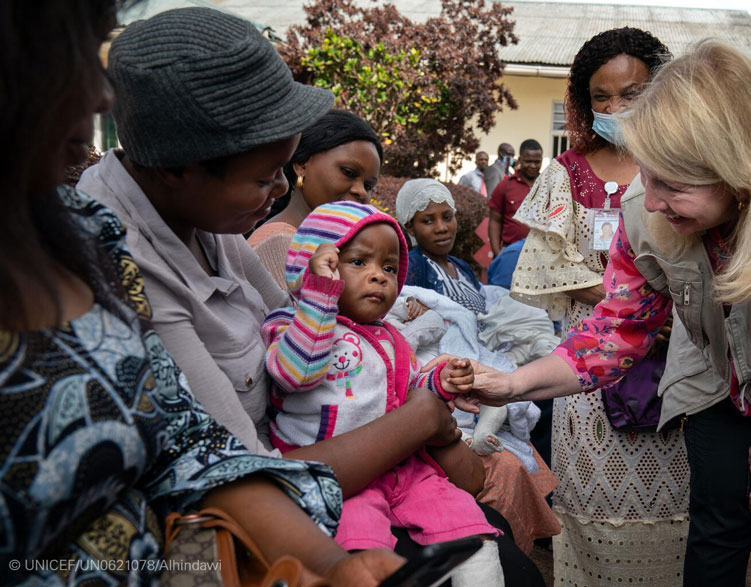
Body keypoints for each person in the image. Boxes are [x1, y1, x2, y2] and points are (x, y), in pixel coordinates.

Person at [0, 1, 403, 583]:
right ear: (175, 170)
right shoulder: (128, 247)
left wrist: (330, 566)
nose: (101, 97)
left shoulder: (90, 233)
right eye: (70, 59)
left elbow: (190, 443)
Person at [468, 40, 751, 587]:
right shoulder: (646, 204)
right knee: (715, 528)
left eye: (674, 186)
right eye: (649, 176)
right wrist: (512, 384)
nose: (651, 201)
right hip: (717, 382)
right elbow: (614, 330)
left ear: (743, 174)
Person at [76, 6, 489, 526]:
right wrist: (421, 418)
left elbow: (316, 328)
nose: (279, 191)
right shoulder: (128, 269)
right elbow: (248, 474)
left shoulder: (206, 222)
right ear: (178, 169)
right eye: (265, 176)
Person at [506, 28, 688, 587]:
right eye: (599, 98)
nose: (613, 108)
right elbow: (544, 267)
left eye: (630, 94)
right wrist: (635, 311)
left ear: (662, 90)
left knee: (675, 494)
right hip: (585, 371)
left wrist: (667, 322)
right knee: (591, 493)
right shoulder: (567, 172)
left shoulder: (686, 166)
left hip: (677, 361)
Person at [262, 201, 504, 587]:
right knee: (362, 546)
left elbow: (408, 393)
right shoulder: (290, 325)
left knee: (465, 526)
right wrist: (320, 296)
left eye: (389, 268)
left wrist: (440, 382)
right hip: (343, 478)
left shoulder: (390, 337)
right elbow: (298, 373)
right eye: (358, 262)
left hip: (403, 465)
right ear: (315, 263)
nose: (378, 277)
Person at [396, 179, 562, 554]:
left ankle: (538, 523)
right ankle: (519, 534)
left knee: (544, 400)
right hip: (448, 363)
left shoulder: (459, 266)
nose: (441, 227)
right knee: (526, 408)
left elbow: (483, 313)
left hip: (483, 351)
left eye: (447, 217)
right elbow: (410, 312)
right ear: (409, 227)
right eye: (428, 220)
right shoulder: (414, 268)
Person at [249, 109, 383, 288]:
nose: (361, 192)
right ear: (301, 165)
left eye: (368, 186)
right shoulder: (280, 243)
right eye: (348, 173)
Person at [488, 139, 542, 257]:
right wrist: (498, 254)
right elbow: (495, 220)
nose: (533, 166)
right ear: (519, 160)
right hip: (510, 252)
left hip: (540, 255)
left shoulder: (549, 186)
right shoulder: (505, 185)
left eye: (537, 162)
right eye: (528, 161)